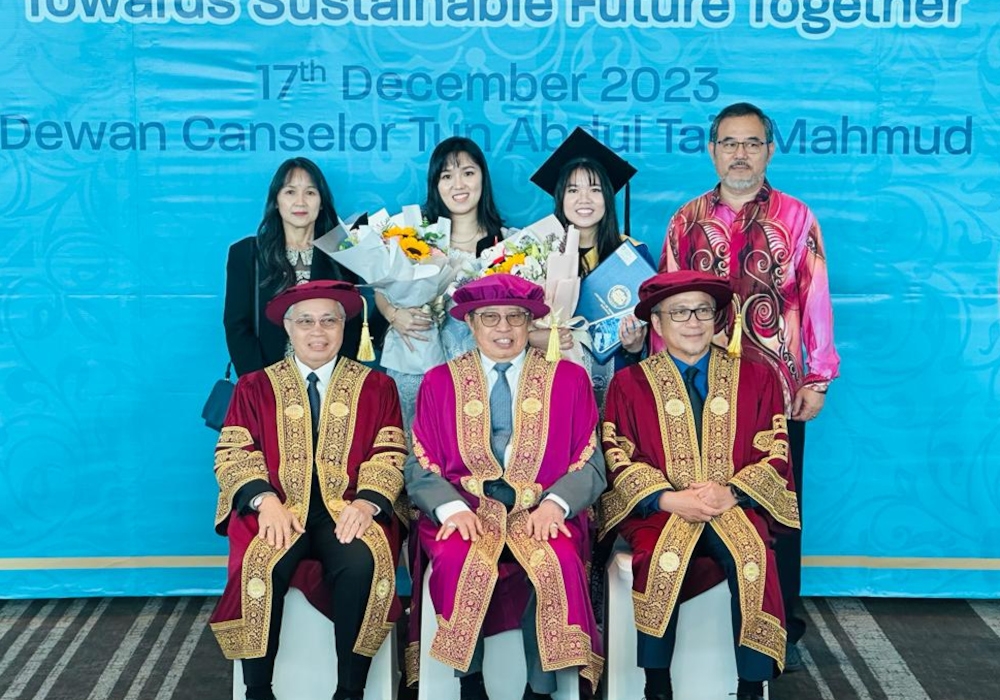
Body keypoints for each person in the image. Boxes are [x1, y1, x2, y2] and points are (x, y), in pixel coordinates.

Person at [658, 102, 840, 667]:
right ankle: (693, 616)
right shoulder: (685, 219)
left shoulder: (796, 216)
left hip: (776, 387)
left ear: (769, 150)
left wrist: (819, 375)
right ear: (712, 150)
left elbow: (815, 299)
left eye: (752, 143)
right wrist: (664, 379)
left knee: (780, 506)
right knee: (699, 493)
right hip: (697, 390)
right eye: (730, 142)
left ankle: (778, 627)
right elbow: (664, 302)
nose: (740, 153)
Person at [600, 270, 800, 700]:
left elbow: (776, 446)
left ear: (718, 319)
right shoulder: (629, 384)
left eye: (703, 311)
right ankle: (657, 684)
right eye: (679, 312)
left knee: (753, 557)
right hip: (661, 510)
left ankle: (751, 684)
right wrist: (668, 498)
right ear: (656, 323)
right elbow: (618, 453)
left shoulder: (756, 376)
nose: (692, 321)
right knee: (658, 557)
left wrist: (732, 492)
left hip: (733, 504)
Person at [404, 274, 605, 700]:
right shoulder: (440, 382)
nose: (503, 328)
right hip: (468, 508)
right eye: (490, 318)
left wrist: (556, 505)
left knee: (558, 557)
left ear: (530, 324)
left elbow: (591, 461)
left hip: (541, 509)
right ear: (471, 325)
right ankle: (470, 682)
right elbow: (420, 463)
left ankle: (541, 687)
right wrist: (450, 510)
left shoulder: (568, 379)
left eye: (515, 318)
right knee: (459, 558)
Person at [210, 280, 408, 700]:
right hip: (281, 507)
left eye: (329, 321)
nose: (318, 332)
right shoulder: (255, 386)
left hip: (347, 508)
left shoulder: (376, 386)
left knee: (363, 563)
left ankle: (350, 690)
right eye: (306, 322)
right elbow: (233, 451)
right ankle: (258, 690)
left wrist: (368, 503)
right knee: (261, 563)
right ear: (288, 328)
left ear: (344, 327)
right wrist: (265, 502)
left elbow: (389, 449)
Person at [375, 137, 508, 435]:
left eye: (468, 173)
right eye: (446, 176)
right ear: (435, 184)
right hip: (418, 361)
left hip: (484, 367)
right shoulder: (415, 238)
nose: (458, 184)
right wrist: (395, 315)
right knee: (420, 449)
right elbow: (382, 292)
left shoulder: (506, 244)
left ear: (483, 178)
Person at [529, 127, 656, 410]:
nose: (584, 199)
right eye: (573, 190)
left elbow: (650, 340)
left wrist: (636, 346)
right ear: (560, 197)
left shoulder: (635, 255)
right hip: (552, 384)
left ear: (608, 197)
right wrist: (531, 336)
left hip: (618, 387)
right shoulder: (538, 255)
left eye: (595, 189)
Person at [224, 157, 376, 377]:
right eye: (290, 192)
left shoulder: (342, 253)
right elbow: (237, 326)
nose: (301, 202)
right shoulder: (247, 254)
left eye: (310, 193)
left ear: (321, 202)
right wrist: (259, 383)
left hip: (329, 382)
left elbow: (351, 324)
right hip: (268, 380)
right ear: (276, 200)